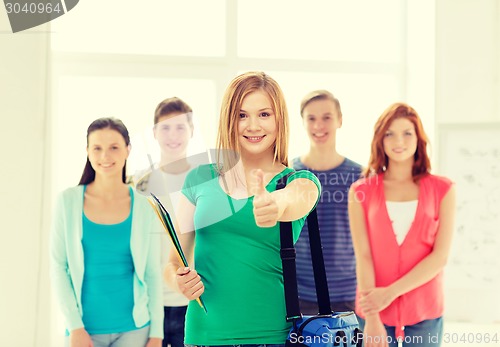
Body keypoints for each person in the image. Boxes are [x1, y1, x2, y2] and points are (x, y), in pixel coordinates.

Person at [163, 71, 321, 346]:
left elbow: (297, 198)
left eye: (264, 114)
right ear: (229, 119)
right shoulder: (199, 178)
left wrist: (276, 203)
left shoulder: (298, 181)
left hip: (270, 337)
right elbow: (174, 261)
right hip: (203, 336)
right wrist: (178, 281)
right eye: (242, 115)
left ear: (279, 119)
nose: (253, 126)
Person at [348, 103, 455, 347]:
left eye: (407, 132)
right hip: (373, 312)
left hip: (425, 313)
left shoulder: (444, 189)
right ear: (380, 139)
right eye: (390, 133)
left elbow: (439, 257)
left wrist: (390, 292)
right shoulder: (361, 192)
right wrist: (373, 317)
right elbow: (363, 255)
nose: (399, 141)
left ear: (419, 138)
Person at [50, 117, 163, 347]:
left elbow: (152, 271)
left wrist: (157, 334)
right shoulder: (67, 201)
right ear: (87, 151)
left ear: (127, 150)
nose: (105, 157)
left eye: (114, 148)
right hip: (83, 331)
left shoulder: (144, 206)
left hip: (135, 330)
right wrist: (75, 326)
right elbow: (58, 267)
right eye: (97, 148)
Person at [135, 97, 206, 347]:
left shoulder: (204, 181)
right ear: (154, 132)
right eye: (165, 127)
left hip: (193, 301)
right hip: (147, 302)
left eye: (180, 127)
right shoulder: (139, 183)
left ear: (192, 131)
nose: (172, 135)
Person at [292, 90, 362, 314]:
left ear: (340, 120)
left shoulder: (359, 176)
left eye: (326, 117)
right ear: (302, 122)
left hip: (347, 295)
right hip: (298, 293)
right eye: (311, 118)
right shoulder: (289, 174)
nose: (318, 126)